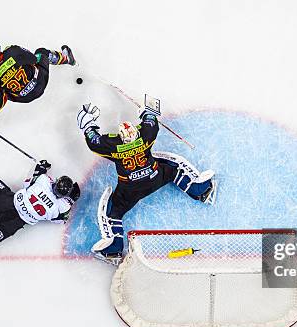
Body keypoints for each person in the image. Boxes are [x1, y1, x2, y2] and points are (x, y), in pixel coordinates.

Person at [76, 102, 217, 264]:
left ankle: (113, 250)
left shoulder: (114, 147)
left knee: (113, 213)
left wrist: (88, 124)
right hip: (155, 177)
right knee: (173, 169)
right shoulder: (145, 137)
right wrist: (146, 112)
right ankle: (200, 190)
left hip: (130, 189)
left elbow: (94, 141)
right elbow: (151, 123)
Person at [0, 38, 76, 124]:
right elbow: (33, 59)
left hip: (25, 98)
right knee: (41, 52)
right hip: (40, 81)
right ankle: (66, 58)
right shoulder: (13, 51)